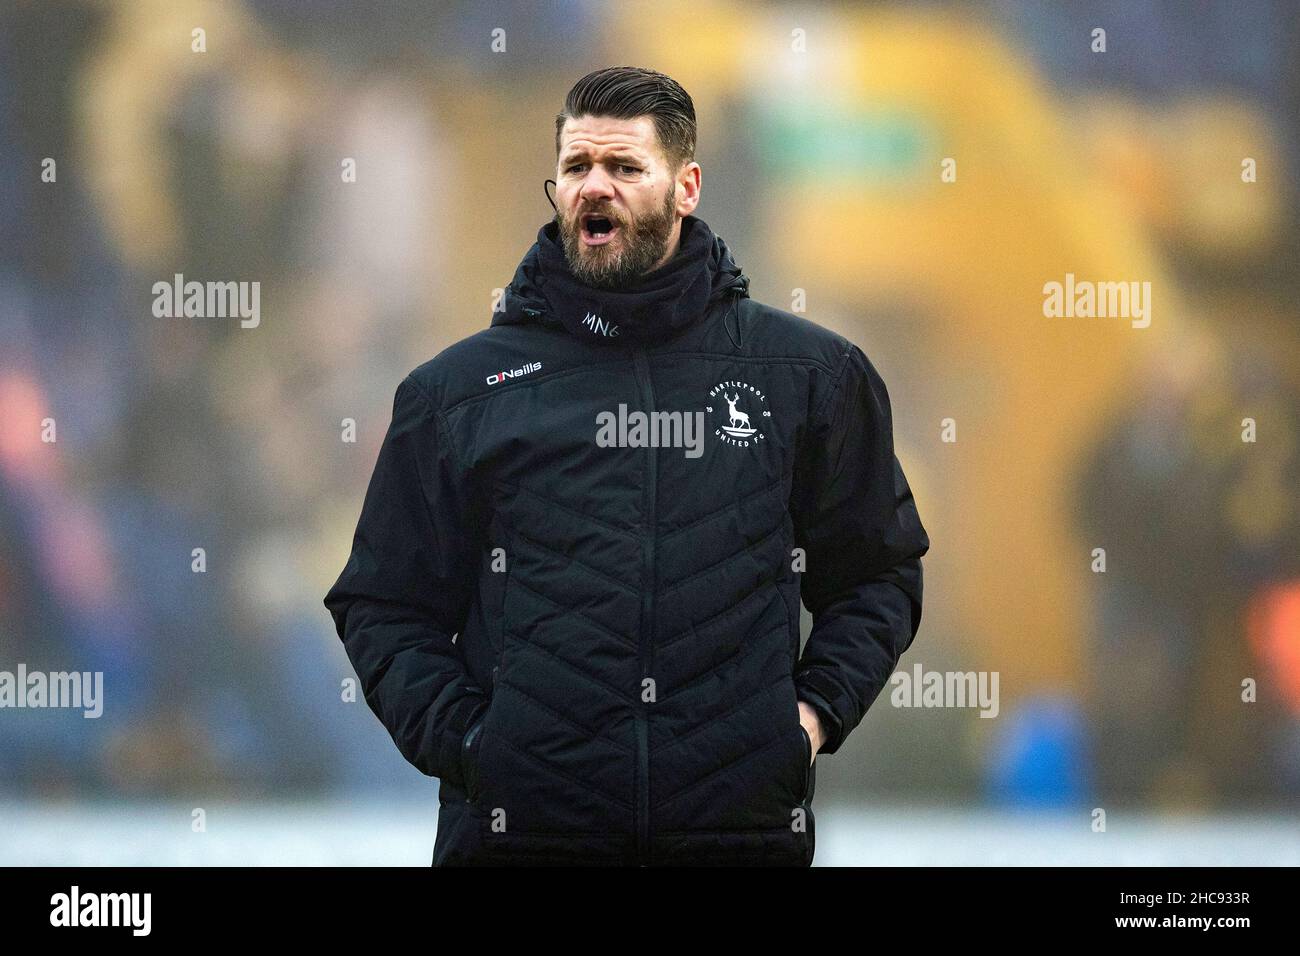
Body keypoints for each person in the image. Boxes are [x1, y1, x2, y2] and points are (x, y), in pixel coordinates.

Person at [324, 66, 930, 866]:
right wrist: (477, 748)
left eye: (624, 168)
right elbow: (381, 603)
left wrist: (808, 720)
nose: (593, 188)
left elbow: (878, 574)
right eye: (576, 168)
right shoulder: (459, 393)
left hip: (734, 838)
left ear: (687, 187)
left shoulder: (809, 376)